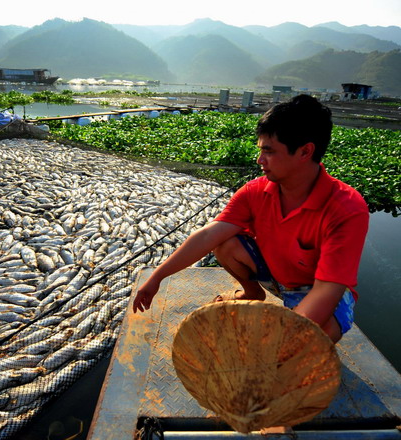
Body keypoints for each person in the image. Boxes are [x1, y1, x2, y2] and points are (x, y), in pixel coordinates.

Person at [132, 94, 370, 344]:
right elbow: (208, 235)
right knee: (224, 242)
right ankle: (252, 293)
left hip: (316, 290)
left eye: (269, 151)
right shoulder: (256, 191)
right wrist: (157, 277)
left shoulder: (346, 207)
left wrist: (281, 335)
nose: (260, 160)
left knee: (314, 340)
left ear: (305, 151)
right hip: (277, 275)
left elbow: (327, 289)